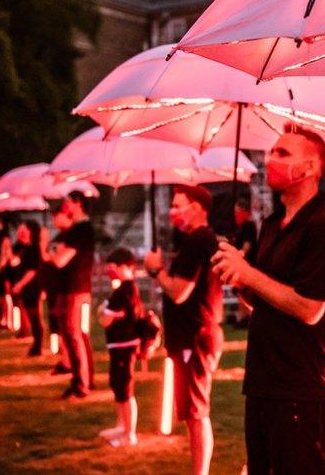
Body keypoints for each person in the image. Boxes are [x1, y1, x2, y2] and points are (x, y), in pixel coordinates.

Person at [212, 126, 325, 475]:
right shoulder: (272, 224)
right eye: (271, 152)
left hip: (302, 387)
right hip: (262, 382)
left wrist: (248, 273)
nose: (270, 159)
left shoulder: (324, 226)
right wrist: (238, 279)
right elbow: (264, 300)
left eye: (282, 153)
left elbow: (310, 308)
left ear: (311, 166)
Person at [144, 185, 222, 475]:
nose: (172, 212)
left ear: (198, 207)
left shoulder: (198, 241)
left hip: (195, 336)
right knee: (192, 413)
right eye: (172, 206)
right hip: (191, 335)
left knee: (196, 413)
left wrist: (156, 271)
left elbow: (179, 291)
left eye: (179, 206)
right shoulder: (194, 241)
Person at [49, 191, 96, 399]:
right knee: (73, 335)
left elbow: (60, 260)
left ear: (77, 204)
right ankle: (83, 380)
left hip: (75, 289)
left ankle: (82, 383)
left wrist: (48, 249)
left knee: (74, 335)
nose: (64, 206)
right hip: (71, 288)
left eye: (67, 202)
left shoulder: (82, 229)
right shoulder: (77, 230)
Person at [98, 247, 142, 448]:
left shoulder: (124, 291)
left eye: (114, 267)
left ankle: (129, 433)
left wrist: (105, 314)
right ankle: (122, 425)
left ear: (126, 267)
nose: (111, 270)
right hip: (118, 345)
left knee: (125, 388)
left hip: (125, 346)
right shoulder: (124, 289)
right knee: (118, 385)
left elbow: (105, 320)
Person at [43, 206, 72, 374]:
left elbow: (57, 260)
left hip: (68, 287)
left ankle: (68, 361)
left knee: (68, 328)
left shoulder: (70, 237)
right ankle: (64, 358)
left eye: (57, 216)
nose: (54, 220)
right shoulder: (59, 237)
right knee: (59, 323)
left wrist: (51, 251)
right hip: (56, 286)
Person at [10, 221, 43, 355]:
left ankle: (37, 345)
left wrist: (20, 284)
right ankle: (36, 344)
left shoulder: (34, 248)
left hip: (33, 287)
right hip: (27, 287)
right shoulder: (25, 247)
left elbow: (32, 271)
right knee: (32, 315)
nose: (20, 231)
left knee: (35, 316)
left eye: (24, 229)